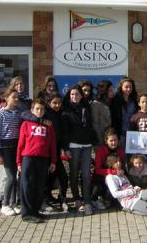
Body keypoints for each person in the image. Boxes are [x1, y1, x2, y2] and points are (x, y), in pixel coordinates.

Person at [16, 98, 57, 223]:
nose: (39, 111)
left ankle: (35, 211)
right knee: (27, 186)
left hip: (43, 159)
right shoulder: (26, 124)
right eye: (37, 109)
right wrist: (18, 162)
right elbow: (20, 144)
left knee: (39, 186)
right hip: (28, 158)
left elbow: (52, 144)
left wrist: (53, 161)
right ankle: (27, 213)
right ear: (32, 110)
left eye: (42, 109)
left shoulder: (48, 125)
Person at [62, 85, 96, 215]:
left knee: (87, 175)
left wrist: (92, 140)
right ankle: (77, 200)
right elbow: (65, 132)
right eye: (72, 94)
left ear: (81, 96)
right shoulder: (66, 110)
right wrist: (66, 148)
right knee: (74, 174)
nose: (74, 97)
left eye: (77, 94)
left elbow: (90, 125)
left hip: (87, 145)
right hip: (73, 146)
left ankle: (87, 201)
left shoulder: (86, 108)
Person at [0, 89, 22, 216]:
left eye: (17, 97)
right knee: (10, 177)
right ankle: (5, 204)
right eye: (13, 97)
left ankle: (13, 203)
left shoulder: (18, 113)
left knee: (15, 176)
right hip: (5, 148)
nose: (16, 99)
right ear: (6, 98)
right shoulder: (1, 113)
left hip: (16, 146)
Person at [93, 127, 126, 210]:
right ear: (106, 141)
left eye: (115, 140)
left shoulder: (121, 151)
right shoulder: (101, 151)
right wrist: (112, 172)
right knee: (97, 188)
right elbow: (98, 170)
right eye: (111, 140)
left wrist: (122, 171)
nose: (114, 142)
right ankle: (96, 199)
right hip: (101, 178)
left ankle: (110, 199)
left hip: (116, 178)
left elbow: (124, 167)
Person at [110, 77, 138, 148]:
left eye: (130, 87)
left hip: (133, 134)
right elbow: (113, 119)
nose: (128, 89)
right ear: (121, 87)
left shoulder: (135, 100)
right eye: (126, 87)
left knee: (132, 157)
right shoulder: (115, 100)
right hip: (120, 134)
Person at [91, 80, 114, 145]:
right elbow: (95, 125)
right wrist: (102, 140)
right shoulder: (96, 104)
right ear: (104, 91)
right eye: (110, 90)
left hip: (111, 139)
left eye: (113, 90)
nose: (113, 92)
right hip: (100, 140)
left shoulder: (112, 102)